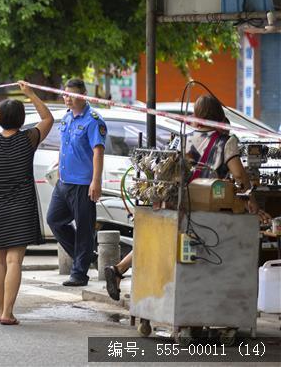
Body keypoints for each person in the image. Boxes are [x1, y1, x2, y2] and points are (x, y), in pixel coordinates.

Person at [104, 94, 272, 301]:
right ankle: (202, 299)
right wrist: (250, 199)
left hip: (178, 203)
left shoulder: (181, 138)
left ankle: (120, 270)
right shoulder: (225, 142)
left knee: (158, 239)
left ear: (197, 114)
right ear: (218, 115)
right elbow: (238, 174)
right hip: (206, 208)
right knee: (200, 253)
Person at [0, 82, 54, 325]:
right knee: (14, 261)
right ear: (21, 119)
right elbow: (48, 118)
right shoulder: (29, 139)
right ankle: (8, 312)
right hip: (21, 204)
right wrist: (31, 93)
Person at [47, 78, 106, 287]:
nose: (67, 99)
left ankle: (80, 273)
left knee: (84, 228)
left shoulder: (93, 120)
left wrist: (95, 181)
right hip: (64, 181)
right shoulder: (67, 118)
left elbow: (98, 152)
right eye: (65, 95)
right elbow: (65, 144)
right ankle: (85, 256)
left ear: (82, 96)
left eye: (71, 96)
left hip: (83, 183)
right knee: (54, 220)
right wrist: (59, 162)